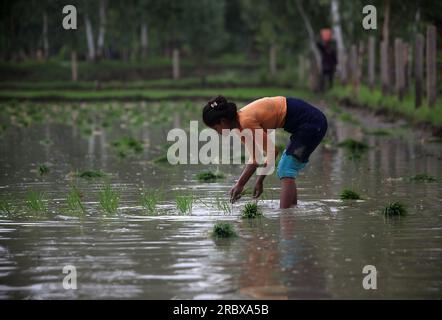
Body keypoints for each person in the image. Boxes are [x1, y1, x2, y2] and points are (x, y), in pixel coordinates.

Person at [202, 96, 327, 208]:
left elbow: (273, 151)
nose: (217, 131)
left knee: (285, 169)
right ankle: (291, 212)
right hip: (307, 125)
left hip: (312, 123)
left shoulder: (245, 122)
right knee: (287, 169)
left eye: (215, 128)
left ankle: (286, 217)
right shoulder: (239, 127)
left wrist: (260, 180)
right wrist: (240, 184)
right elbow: (255, 159)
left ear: (223, 121)